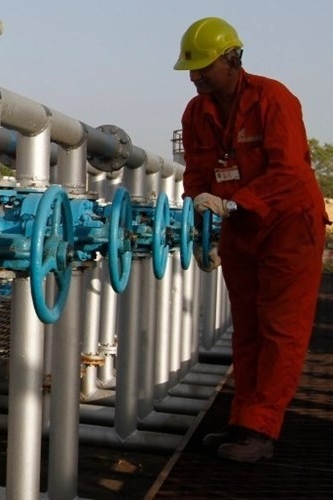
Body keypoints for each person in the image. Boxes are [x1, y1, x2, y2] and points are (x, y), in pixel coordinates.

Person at [174, 17, 330, 463]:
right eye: (191, 68)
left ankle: (261, 431)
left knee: (281, 329)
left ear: (232, 59)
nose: (195, 76)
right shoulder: (196, 112)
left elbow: (289, 172)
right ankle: (242, 421)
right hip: (240, 228)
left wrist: (233, 202)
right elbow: (197, 172)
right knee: (248, 329)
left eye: (204, 66)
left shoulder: (273, 99)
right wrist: (200, 211)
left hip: (288, 226)